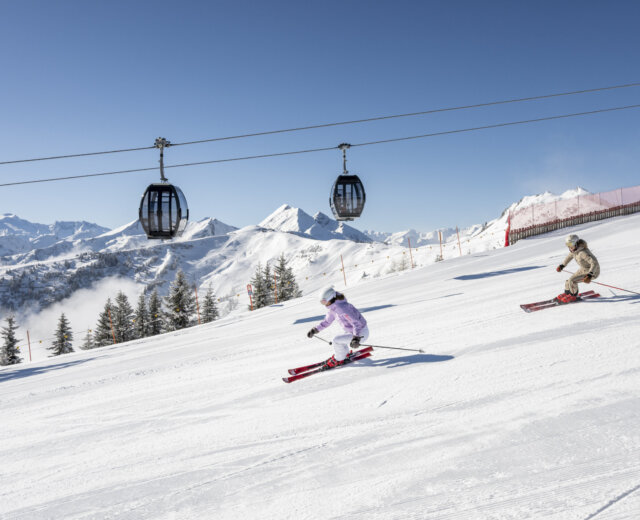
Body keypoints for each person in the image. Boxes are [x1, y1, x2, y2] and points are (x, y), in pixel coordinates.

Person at [307, 286, 369, 368]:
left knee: (336, 340)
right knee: (340, 339)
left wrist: (356, 338)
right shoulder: (333, 309)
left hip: (360, 332)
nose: (324, 304)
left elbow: (356, 322)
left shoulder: (342, 308)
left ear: (331, 298)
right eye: (322, 302)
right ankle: (344, 354)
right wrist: (315, 330)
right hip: (353, 332)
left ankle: (339, 359)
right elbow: (326, 321)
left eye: (324, 301)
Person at [556, 234, 600, 302]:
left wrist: (590, 275)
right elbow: (569, 257)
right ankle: (567, 293)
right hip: (583, 269)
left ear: (576, 243)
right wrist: (562, 265)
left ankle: (573, 297)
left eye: (571, 244)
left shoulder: (582, 252)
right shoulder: (574, 251)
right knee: (568, 281)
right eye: (568, 245)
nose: (570, 247)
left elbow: (594, 263)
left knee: (572, 281)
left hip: (593, 271)